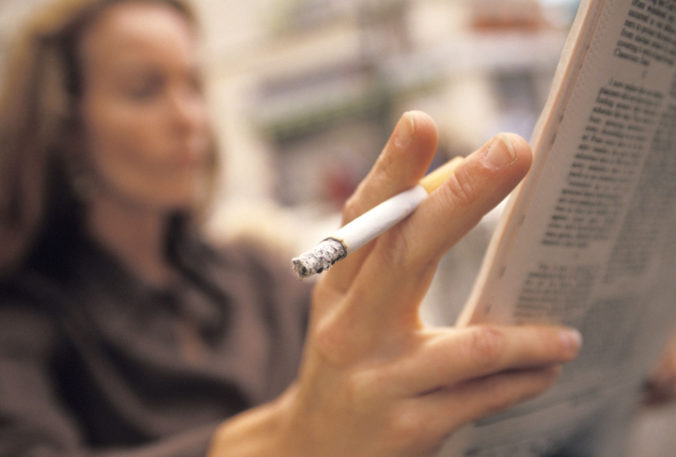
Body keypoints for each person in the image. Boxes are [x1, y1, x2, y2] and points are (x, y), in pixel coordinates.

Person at [0, 0, 585, 456]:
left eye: (193, 85)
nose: (188, 118)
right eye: (144, 89)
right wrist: (292, 440)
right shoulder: (24, 317)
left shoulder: (254, 273)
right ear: (66, 124)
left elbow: (383, 398)